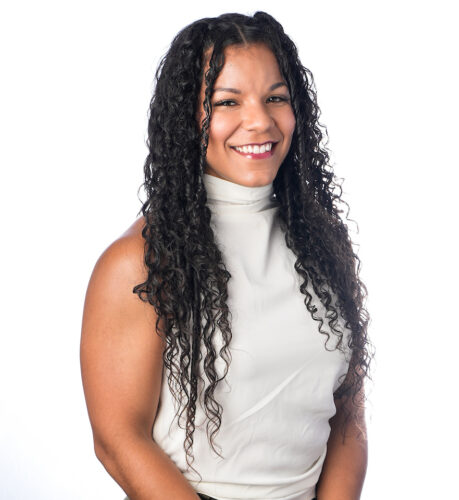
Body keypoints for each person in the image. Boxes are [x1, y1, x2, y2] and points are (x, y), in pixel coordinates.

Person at [80, 11, 373, 500]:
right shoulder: (139, 262)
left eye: (276, 97)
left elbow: (349, 416)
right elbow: (118, 440)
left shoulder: (324, 245)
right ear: (186, 119)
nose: (259, 120)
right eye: (227, 101)